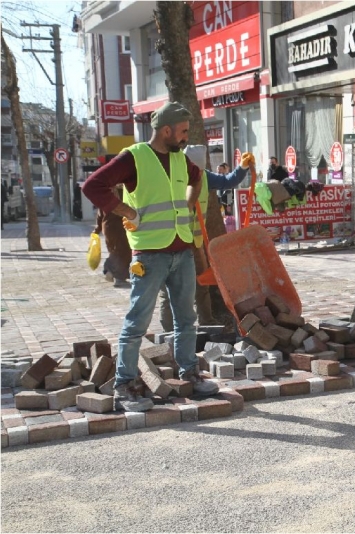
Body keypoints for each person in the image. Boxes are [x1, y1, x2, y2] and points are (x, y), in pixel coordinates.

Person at [82, 101, 219, 412]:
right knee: (136, 322)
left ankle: (190, 374)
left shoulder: (181, 159)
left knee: (186, 318)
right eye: (183, 132)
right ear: (166, 130)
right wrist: (126, 210)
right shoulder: (134, 157)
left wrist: (187, 202)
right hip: (149, 254)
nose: (186, 137)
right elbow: (93, 186)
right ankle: (124, 385)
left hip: (181, 250)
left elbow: (198, 179)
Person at [158, 145, 253, 331]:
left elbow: (228, 181)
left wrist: (242, 167)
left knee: (201, 283)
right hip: (170, 241)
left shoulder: (205, 176)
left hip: (195, 242)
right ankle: (168, 329)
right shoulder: (170, 177)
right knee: (168, 287)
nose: (196, 173)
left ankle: (206, 320)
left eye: (198, 170)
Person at [93, 185, 132, 288]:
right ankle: (116, 276)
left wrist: (97, 229)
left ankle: (110, 271)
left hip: (108, 226)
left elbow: (100, 214)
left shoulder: (107, 194)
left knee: (116, 250)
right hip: (117, 227)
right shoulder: (123, 194)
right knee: (121, 251)